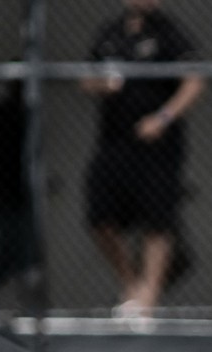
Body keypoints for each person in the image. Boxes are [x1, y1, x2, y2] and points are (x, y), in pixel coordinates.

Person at [81, 0, 204, 316]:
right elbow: (85, 77)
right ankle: (131, 285)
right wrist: (100, 85)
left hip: (157, 146)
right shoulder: (109, 32)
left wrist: (163, 118)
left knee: (157, 219)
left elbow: (194, 81)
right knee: (100, 216)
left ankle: (149, 295)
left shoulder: (169, 32)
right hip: (114, 141)